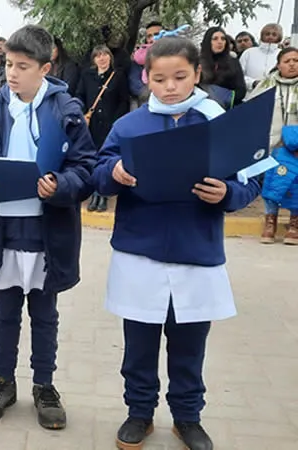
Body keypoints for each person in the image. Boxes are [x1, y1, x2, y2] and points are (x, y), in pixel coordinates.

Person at [91, 36, 261, 450]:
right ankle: (139, 413)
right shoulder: (128, 125)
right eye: (159, 78)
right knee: (140, 345)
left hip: (195, 252)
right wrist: (114, 172)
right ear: (147, 77)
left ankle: (188, 417)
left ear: (197, 74)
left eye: (180, 77)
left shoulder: (218, 122)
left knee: (189, 347)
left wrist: (228, 195)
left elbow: (252, 179)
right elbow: (97, 171)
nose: (169, 87)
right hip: (139, 252)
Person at [0, 24, 96, 430]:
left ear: (45, 67)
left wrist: (60, 186)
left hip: (47, 231)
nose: (13, 73)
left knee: (44, 312)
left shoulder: (66, 110)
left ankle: (44, 385)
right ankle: (3, 381)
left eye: (23, 66)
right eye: (8, 64)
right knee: (5, 311)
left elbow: (85, 167)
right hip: (3, 230)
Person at [248, 47, 298, 243]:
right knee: (272, 183)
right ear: (278, 65)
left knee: (296, 184)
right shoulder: (266, 85)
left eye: (296, 60)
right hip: (271, 144)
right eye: (287, 61)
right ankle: (270, 222)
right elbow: (252, 111)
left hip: (296, 147)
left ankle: (294, 224)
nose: (292, 64)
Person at [78, 45, 129, 212]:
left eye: (105, 55)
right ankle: (93, 192)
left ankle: (103, 194)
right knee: (92, 157)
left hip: (110, 124)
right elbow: (80, 95)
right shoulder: (87, 75)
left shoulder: (118, 75)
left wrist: (116, 121)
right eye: (98, 55)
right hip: (91, 124)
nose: (102, 58)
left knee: (106, 157)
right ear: (94, 59)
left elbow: (124, 101)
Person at [200, 27, 246, 107]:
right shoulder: (197, 62)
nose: (220, 42)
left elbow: (241, 91)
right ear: (207, 42)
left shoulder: (233, 62)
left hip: (226, 109)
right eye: (215, 39)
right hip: (201, 107)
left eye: (223, 39)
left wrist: (222, 98)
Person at [239, 23, 283, 91]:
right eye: (267, 34)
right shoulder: (249, 53)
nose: (270, 37)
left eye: (274, 34)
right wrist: (253, 83)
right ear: (262, 36)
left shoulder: (283, 54)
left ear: (279, 37)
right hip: (250, 96)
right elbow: (238, 75)